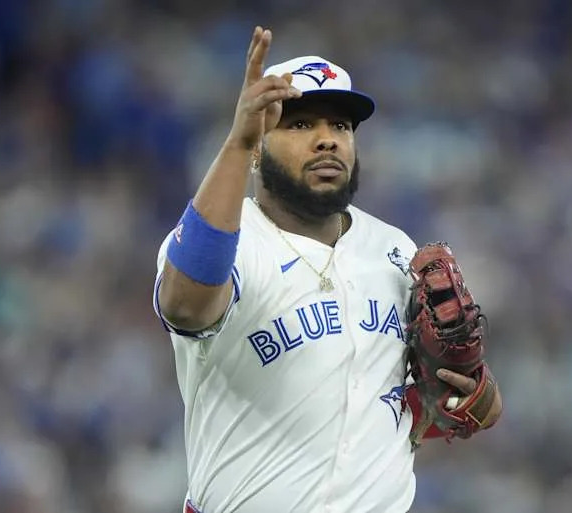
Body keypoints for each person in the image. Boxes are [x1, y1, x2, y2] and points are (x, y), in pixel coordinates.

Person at [153, 26, 502, 512]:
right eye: (300, 125)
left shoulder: (393, 249)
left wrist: (473, 394)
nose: (327, 141)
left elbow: (426, 394)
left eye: (340, 126)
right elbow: (187, 306)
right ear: (258, 146)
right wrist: (235, 144)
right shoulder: (223, 241)